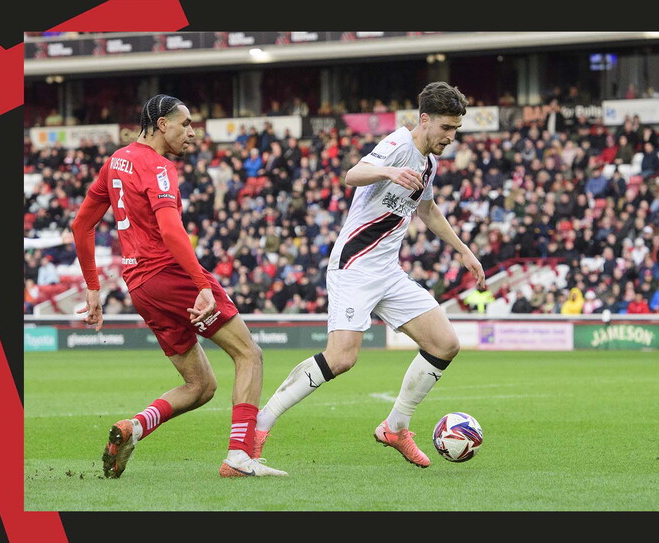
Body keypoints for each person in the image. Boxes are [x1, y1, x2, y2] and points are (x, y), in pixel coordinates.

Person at [253, 82, 485, 469]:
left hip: (387, 271)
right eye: (446, 128)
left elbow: (426, 210)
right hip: (355, 266)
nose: (451, 136)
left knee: (445, 343)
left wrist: (463, 250)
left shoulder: (429, 161)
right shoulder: (399, 144)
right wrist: (390, 172)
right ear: (424, 120)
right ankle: (259, 427)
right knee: (342, 358)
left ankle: (395, 427)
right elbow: (352, 174)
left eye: (456, 130)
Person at [71, 94, 287, 479]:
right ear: (161, 124)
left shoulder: (116, 162)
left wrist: (92, 288)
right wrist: (201, 284)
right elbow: (171, 230)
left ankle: (132, 428)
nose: (192, 132)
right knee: (249, 355)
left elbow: (81, 225)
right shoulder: (158, 167)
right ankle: (239, 456)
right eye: (185, 124)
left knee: (201, 385)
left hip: (141, 287)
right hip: (171, 275)